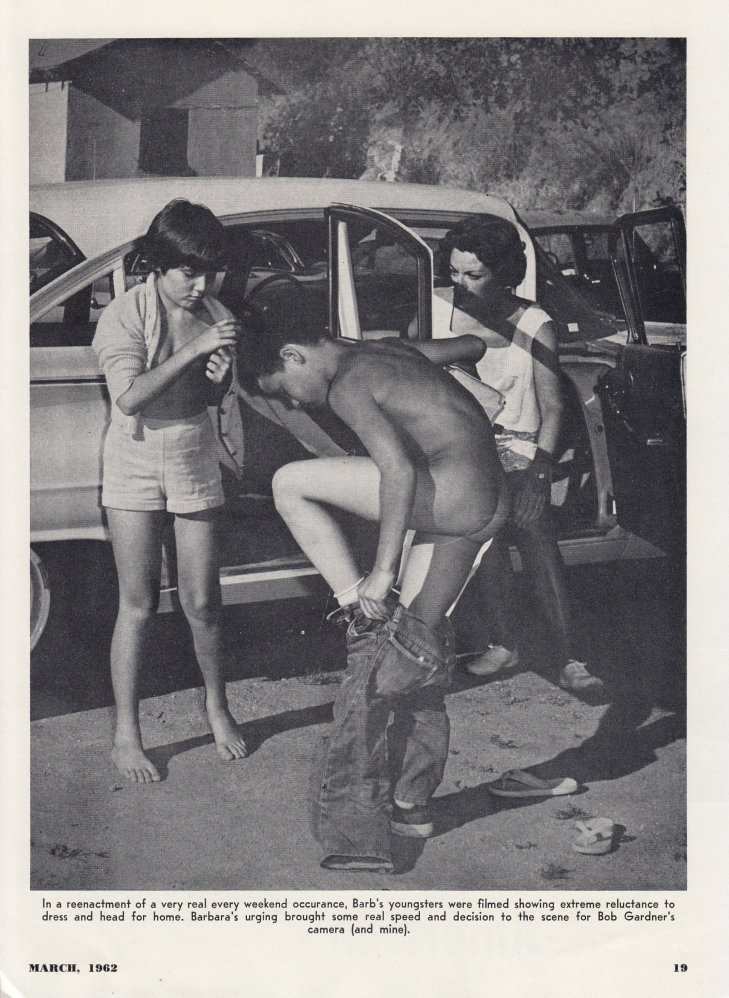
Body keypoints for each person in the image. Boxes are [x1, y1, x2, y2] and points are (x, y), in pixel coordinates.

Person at [240, 305, 509, 872]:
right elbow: (473, 346)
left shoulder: (347, 384)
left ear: (294, 356)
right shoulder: (387, 351)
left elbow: (398, 472)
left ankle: (352, 604)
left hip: (450, 499)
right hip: (485, 501)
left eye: (284, 390)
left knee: (289, 483)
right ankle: (412, 804)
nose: (295, 404)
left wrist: (382, 570)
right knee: (414, 646)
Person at [92, 199, 249, 783]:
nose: (201, 286)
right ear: (159, 264)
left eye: (210, 272)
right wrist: (195, 350)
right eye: (188, 272)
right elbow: (129, 397)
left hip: (192, 451)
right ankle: (126, 736)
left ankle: (218, 708)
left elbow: (208, 397)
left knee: (203, 602)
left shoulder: (216, 312)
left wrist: (218, 382)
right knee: (138, 603)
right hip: (133, 457)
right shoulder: (125, 313)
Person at [430, 214, 603, 692]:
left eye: (474, 274)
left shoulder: (534, 323)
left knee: (533, 529)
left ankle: (571, 658)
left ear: (504, 272)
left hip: (523, 449)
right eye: (454, 272)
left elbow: (553, 406)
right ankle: (505, 644)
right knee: (483, 534)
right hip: (463, 449)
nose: (460, 283)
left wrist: (539, 474)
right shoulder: (436, 309)